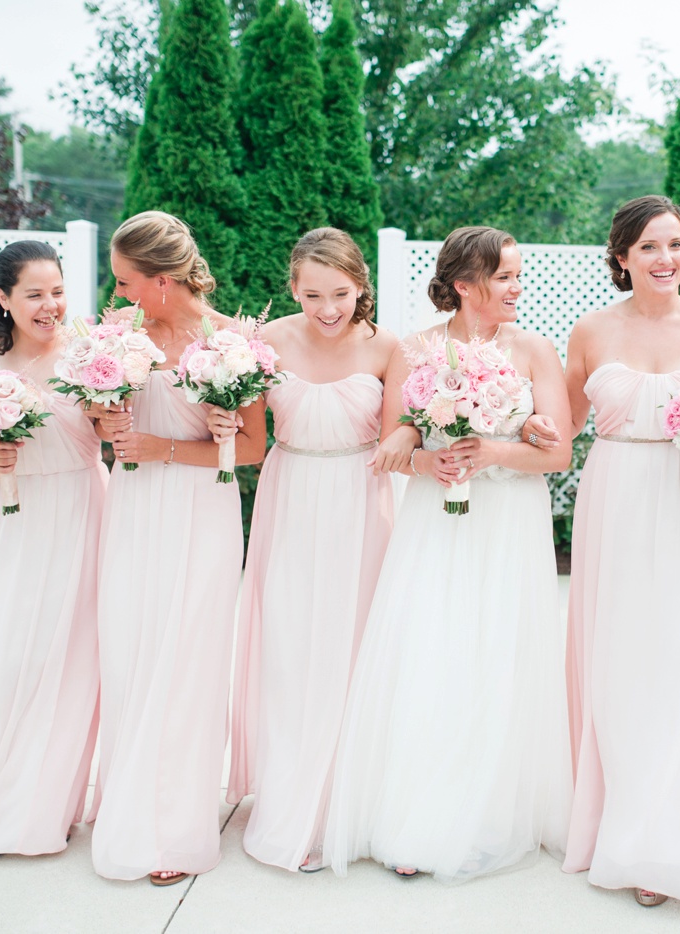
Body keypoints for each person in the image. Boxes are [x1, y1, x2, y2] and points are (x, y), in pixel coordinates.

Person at [323, 226, 573, 882]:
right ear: (465, 285)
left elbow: (558, 452)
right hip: (436, 519)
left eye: (519, 275)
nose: (519, 287)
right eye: (507, 277)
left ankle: (489, 815)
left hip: (509, 520)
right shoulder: (415, 350)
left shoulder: (537, 350)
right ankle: (415, 817)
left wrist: (497, 448)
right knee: (432, 652)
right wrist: (434, 452)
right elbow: (393, 445)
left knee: (497, 653)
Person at [544, 196, 680, 907]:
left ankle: (672, 832)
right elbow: (561, 425)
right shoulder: (592, 330)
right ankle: (622, 819)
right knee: (623, 656)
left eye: (676, 245)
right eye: (651, 247)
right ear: (622, 256)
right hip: (618, 494)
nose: (666, 260)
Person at [213, 228, 409, 873]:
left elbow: (397, 435)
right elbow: (244, 433)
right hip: (291, 493)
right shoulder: (266, 344)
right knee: (293, 646)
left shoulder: (387, 347)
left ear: (362, 287)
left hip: (363, 498)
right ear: (293, 289)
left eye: (342, 294)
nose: (329, 308)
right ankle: (293, 796)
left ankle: (354, 800)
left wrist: (407, 436)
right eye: (314, 294)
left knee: (354, 645)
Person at [88, 211, 258, 885]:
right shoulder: (117, 336)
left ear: (162, 280)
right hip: (132, 511)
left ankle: (176, 830)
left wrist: (166, 448)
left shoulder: (233, 342)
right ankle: (129, 804)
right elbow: (99, 425)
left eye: (129, 282)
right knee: (132, 652)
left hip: (201, 510)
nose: (121, 293)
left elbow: (249, 449)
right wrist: (105, 408)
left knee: (189, 663)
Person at [0, 240, 103, 866]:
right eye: (34, 294)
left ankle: (45, 806)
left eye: (57, 291)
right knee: (5, 655)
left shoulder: (89, 354)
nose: (50, 305)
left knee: (71, 660)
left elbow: (111, 430)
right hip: (8, 520)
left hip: (82, 512)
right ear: (3, 298)